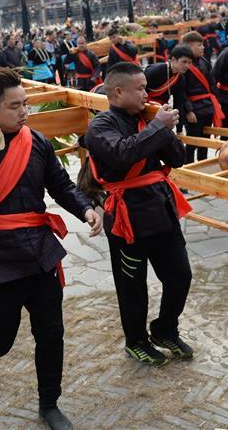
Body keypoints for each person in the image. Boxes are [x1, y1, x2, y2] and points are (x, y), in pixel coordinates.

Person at [0, 67, 101, 430]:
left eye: (25, 104)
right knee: (2, 336)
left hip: (39, 253)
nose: (24, 112)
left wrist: (86, 208)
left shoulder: (37, 142)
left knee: (51, 332)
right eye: (14, 107)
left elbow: (59, 185)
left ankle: (49, 404)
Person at [84, 62, 193, 368]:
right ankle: (136, 340)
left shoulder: (148, 119)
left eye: (146, 87)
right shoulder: (101, 126)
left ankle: (165, 329)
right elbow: (123, 154)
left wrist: (165, 129)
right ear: (117, 92)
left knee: (180, 275)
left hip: (160, 207)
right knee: (133, 286)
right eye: (141, 88)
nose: (147, 93)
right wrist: (158, 126)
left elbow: (178, 158)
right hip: (126, 215)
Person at [180, 31, 223, 164]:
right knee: (192, 142)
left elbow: (212, 83)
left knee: (205, 141)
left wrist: (217, 102)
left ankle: (202, 165)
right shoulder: (184, 64)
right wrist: (188, 111)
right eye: (199, 45)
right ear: (188, 47)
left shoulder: (204, 61)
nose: (203, 48)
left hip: (207, 106)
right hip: (194, 109)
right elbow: (182, 91)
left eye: (202, 45)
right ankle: (189, 169)